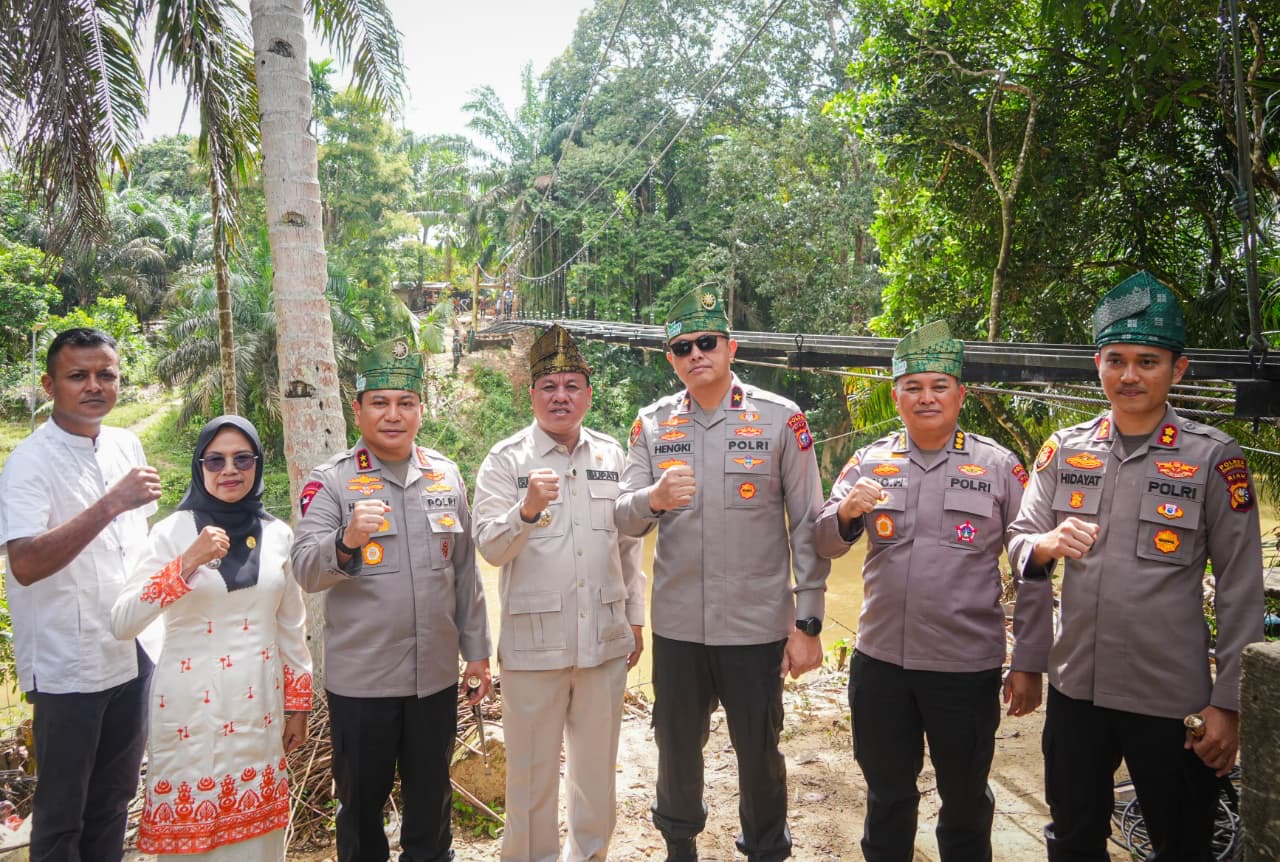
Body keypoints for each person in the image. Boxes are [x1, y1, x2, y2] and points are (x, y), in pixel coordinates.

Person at [1007, 271, 1264, 860]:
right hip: (1076, 692)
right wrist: (1046, 544)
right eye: (1115, 359)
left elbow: (1241, 589)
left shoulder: (1213, 458)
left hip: (1171, 702)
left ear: (1178, 369)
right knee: (1071, 838)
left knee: (1183, 843)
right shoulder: (1064, 448)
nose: (1129, 375)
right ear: (1097, 365)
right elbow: (1021, 539)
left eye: (1147, 361)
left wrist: (1228, 704)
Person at [814, 321, 1053, 861]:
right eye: (913, 386)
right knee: (887, 798)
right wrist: (848, 512)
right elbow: (823, 543)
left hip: (964, 670)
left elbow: (1032, 564)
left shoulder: (998, 467)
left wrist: (1030, 662)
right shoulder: (868, 462)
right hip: (881, 667)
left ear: (960, 394)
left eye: (939, 385)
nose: (926, 397)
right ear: (896, 395)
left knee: (965, 802)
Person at [615, 286, 830, 862]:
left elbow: (808, 524)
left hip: (756, 625)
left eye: (706, 342)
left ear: (730, 348)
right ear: (671, 359)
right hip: (681, 625)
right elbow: (621, 518)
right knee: (675, 744)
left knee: (759, 748)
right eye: (682, 347)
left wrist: (807, 621)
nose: (695, 355)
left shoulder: (782, 420)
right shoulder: (651, 426)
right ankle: (679, 845)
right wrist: (653, 500)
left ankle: (765, 848)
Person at [291, 338, 492, 862]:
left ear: (421, 409)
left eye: (405, 402)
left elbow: (466, 573)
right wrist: (347, 542)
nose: (393, 414)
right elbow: (305, 570)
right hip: (363, 686)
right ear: (357, 409)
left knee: (432, 802)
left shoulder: (445, 476)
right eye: (379, 402)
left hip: (435, 679)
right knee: (360, 810)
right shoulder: (331, 482)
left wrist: (478, 653)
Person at [472, 325, 646, 862]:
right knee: (529, 776)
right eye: (550, 387)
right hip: (533, 647)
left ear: (589, 395)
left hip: (603, 640)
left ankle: (590, 854)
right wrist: (525, 510)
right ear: (532, 396)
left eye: (572, 385)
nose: (561, 396)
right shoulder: (506, 460)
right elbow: (489, 547)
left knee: (597, 772)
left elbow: (628, 548)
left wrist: (636, 618)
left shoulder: (613, 456)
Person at [109, 415, 312, 859]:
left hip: (259, 710)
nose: (230, 470)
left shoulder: (279, 535)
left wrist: (297, 707)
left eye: (243, 458)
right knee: (192, 845)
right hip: (189, 717)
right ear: (199, 467)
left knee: (256, 843)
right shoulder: (171, 533)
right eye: (215, 460)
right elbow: (123, 621)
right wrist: (185, 563)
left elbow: (291, 629)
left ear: (258, 464)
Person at [0, 327, 161, 862]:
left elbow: (139, 546)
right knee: (62, 810)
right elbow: (24, 564)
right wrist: (109, 504)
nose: (94, 386)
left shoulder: (125, 445)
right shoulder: (28, 462)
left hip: (133, 651)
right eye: (78, 376)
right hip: (69, 662)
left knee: (114, 798)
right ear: (49, 384)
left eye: (106, 375)